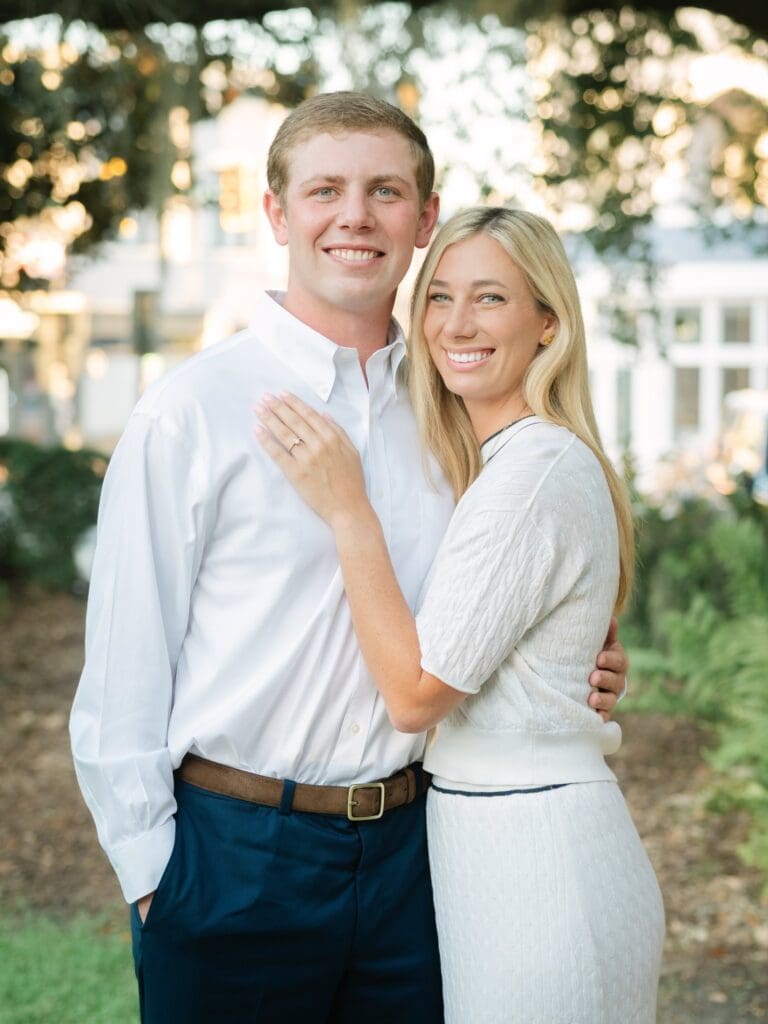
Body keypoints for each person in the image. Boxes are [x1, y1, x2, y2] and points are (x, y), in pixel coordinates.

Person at [70, 93, 628, 1024]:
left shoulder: (458, 403)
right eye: (325, 189)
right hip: (236, 855)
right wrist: (154, 879)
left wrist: (577, 665)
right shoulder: (196, 409)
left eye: (386, 191)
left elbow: (506, 594)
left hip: (424, 853)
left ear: (425, 217)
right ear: (279, 213)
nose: (356, 216)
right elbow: (126, 663)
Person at [255, 205, 664, 1024]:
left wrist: (349, 512)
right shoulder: (506, 463)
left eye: (491, 299)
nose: (456, 324)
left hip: (541, 863)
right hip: (494, 846)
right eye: (438, 297)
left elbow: (413, 695)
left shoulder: (530, 475)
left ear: (549, 323)